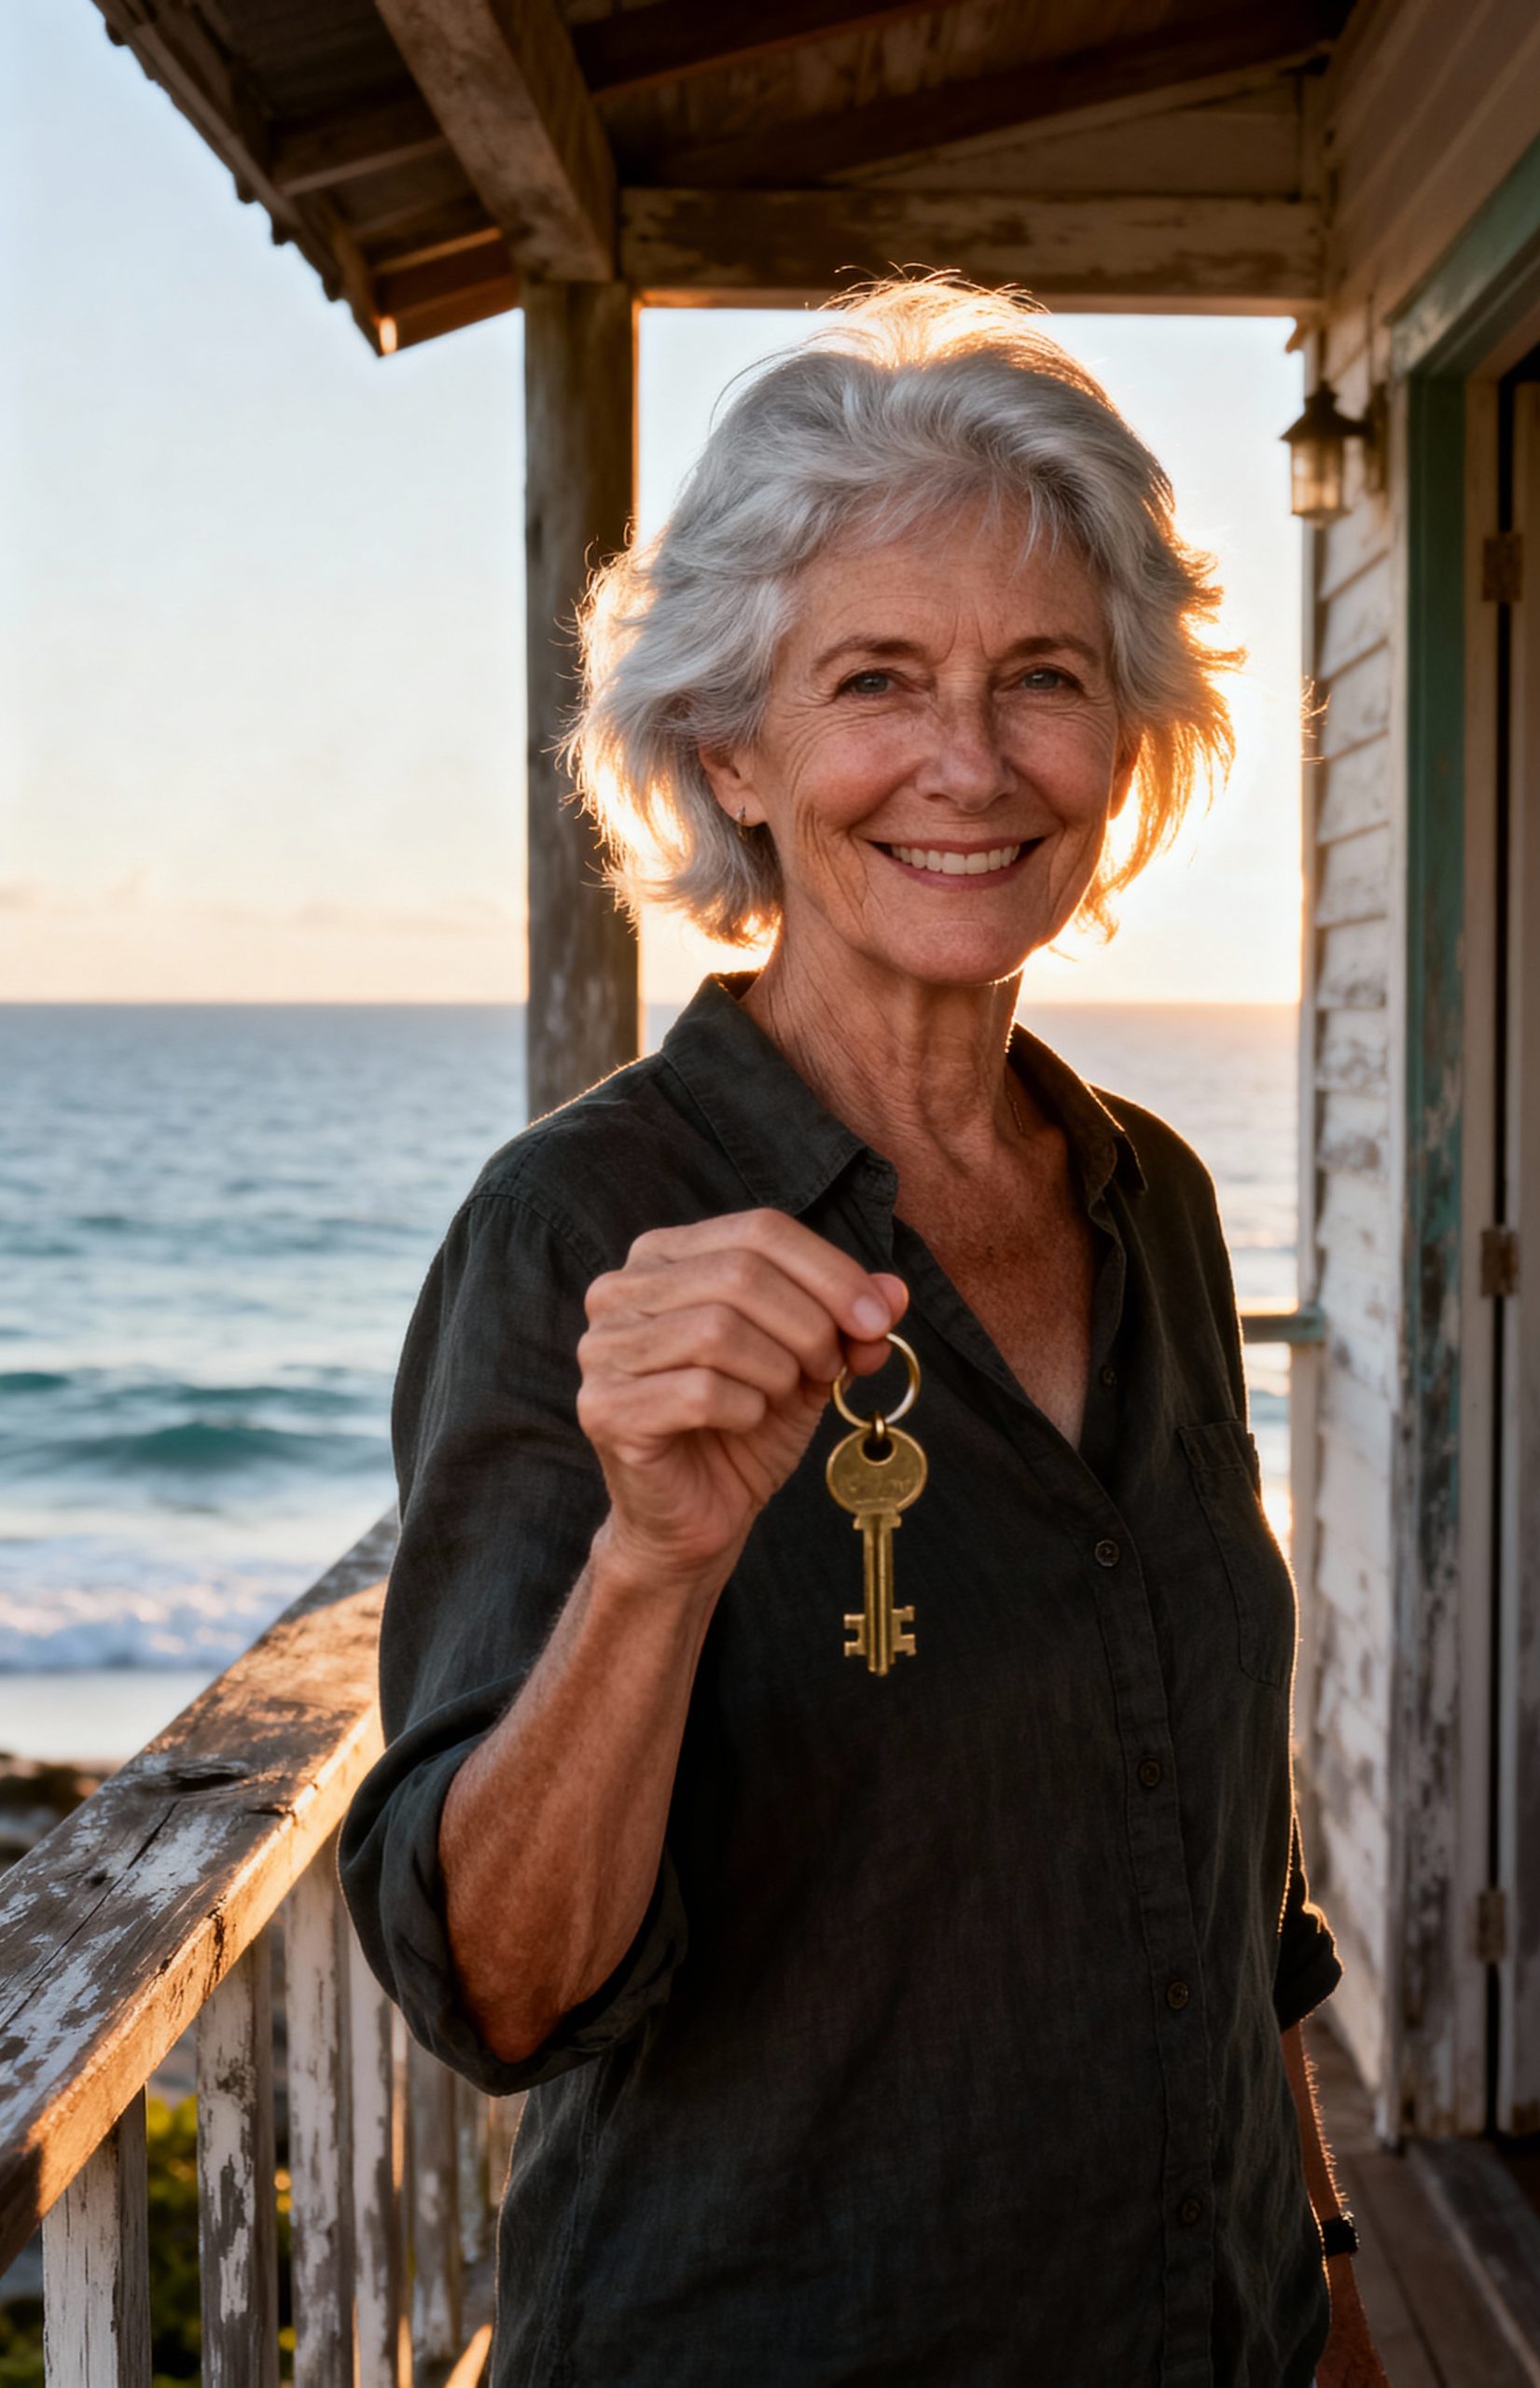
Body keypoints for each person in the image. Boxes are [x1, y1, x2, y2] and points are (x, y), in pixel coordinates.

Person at [340, 278, 1386, 2388]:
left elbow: (1217, 1879)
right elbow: (498, 1981)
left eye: (1043, 680)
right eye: (875, 679)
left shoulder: (1154, 1206)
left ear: (1128, 738)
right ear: (733, 741)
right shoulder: (576, 1234)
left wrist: (1326, 2292)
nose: (969, 763)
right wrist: (655, 1556)